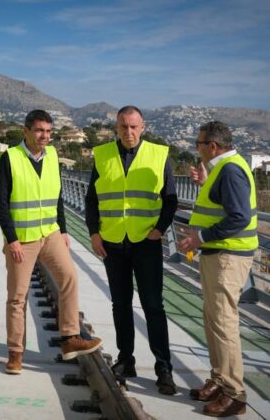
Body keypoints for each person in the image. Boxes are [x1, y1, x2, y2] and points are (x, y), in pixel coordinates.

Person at [0, 109, 102, 375]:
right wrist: (13, 239)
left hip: (51, 233)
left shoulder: (52, 156)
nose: (45, 136)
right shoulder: (10, 158)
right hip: (23, 239)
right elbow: (0, 204)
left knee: (69, 278)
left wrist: (63, 230)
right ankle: (15, 353)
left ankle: (69, 338)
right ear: (27, 131)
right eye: (40, 131)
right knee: (17, 297)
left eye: (49, 132)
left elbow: (57, 197)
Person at [85, 105, 177, 395]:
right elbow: (91, 200)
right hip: (112, 243)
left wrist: (160, 229)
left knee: (153, 306)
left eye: (134, 127)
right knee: (120, 305)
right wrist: (94, 233)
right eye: (123, 127)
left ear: (143, 127)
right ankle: (126, 359)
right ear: (116, 127)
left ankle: (163, 367)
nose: (129, 132)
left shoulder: (159, 155)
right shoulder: (102, 155)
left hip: (146, 244)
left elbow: (171, 199)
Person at [178, 121, 257, 417]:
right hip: (218, 255)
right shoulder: (221, 169)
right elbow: (220, 206)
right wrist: (203, 184)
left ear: (212, 146)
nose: (196, 148)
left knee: (224, 324)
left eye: (198, 143)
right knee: (213, 319)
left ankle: (234, 394)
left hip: (228, 256)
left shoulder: (231, 171)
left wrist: (199, 237)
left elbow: (238, 217)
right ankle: (219, 379)